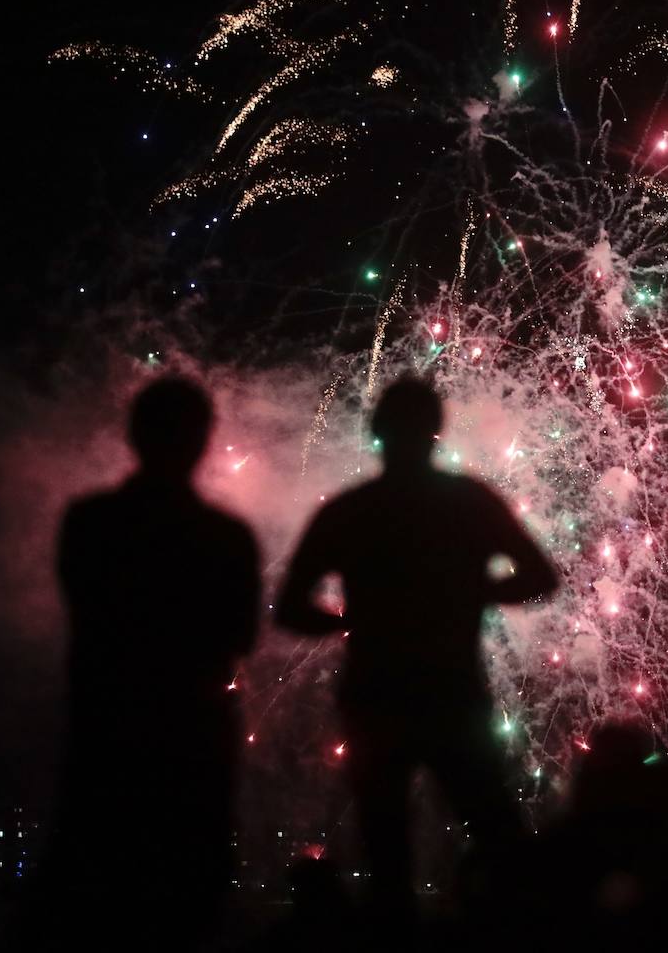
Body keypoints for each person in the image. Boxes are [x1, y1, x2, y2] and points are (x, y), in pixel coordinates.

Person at [275, 376, 558, 922]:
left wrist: (351, 619)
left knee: (387, 858)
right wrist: (473, 593)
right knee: (498, 833)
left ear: (377, 431)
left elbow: (289, 608)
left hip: (375, 698)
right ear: (436, 431)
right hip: (452, 691)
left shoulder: (351, 511)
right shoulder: (468, 504)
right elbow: (542, 577)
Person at [44, 377, 259, 948]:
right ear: (205, 441)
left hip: (105, 736)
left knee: (98, 901)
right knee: (192, 901)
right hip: (196, 741)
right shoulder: (228, 538)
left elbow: (85, 613)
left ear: (133, 435)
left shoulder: (88, 523)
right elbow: (241, 637)